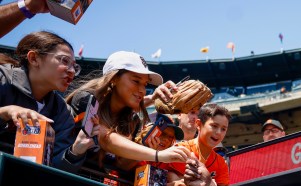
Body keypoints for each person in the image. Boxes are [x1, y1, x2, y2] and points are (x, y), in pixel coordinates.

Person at [63, 51, 190, 173]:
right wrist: (157, 155)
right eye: (136, 81)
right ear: (114, 78)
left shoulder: (131, 120)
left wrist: (146, 147)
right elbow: (105, 139)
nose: (142, 90)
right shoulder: (86, 99)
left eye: (145, 84)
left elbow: (121, 165)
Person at [0, 30, 83, 171]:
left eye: (74, 66)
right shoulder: (2, 79)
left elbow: (55, 169)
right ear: (33, 59)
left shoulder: (63, 112)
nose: (72, 71)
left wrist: (76, 151)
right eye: (64, 61)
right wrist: (5, 112)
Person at [166, 103, 247, 186]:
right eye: (214, 126)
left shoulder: (220, 163)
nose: (218, 132)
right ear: (198, 124)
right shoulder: (182, 150)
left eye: (223, 129)